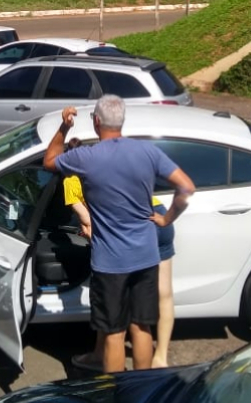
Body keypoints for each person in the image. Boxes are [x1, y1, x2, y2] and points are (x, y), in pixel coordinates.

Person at [44, 96, 195, 374]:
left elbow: (50, 160)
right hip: (146, 257)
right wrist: (166, 218)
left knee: (114, 333)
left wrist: (64, 127)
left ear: (96, 121)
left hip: (110, 263)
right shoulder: (148, 152)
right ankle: (141, 389)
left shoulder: (86, 157)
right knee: (141, 327)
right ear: (122, 120)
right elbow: (186, 188)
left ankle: (117, 391)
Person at [62, 142, 177, 370]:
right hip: (157, 213)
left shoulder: (70, 178)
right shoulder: (109, 165)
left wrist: (93, 234)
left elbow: (86, 217)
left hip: (129, 228)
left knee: (111, 299)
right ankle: (160, 358)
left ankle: (102, 358)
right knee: (164, 294)